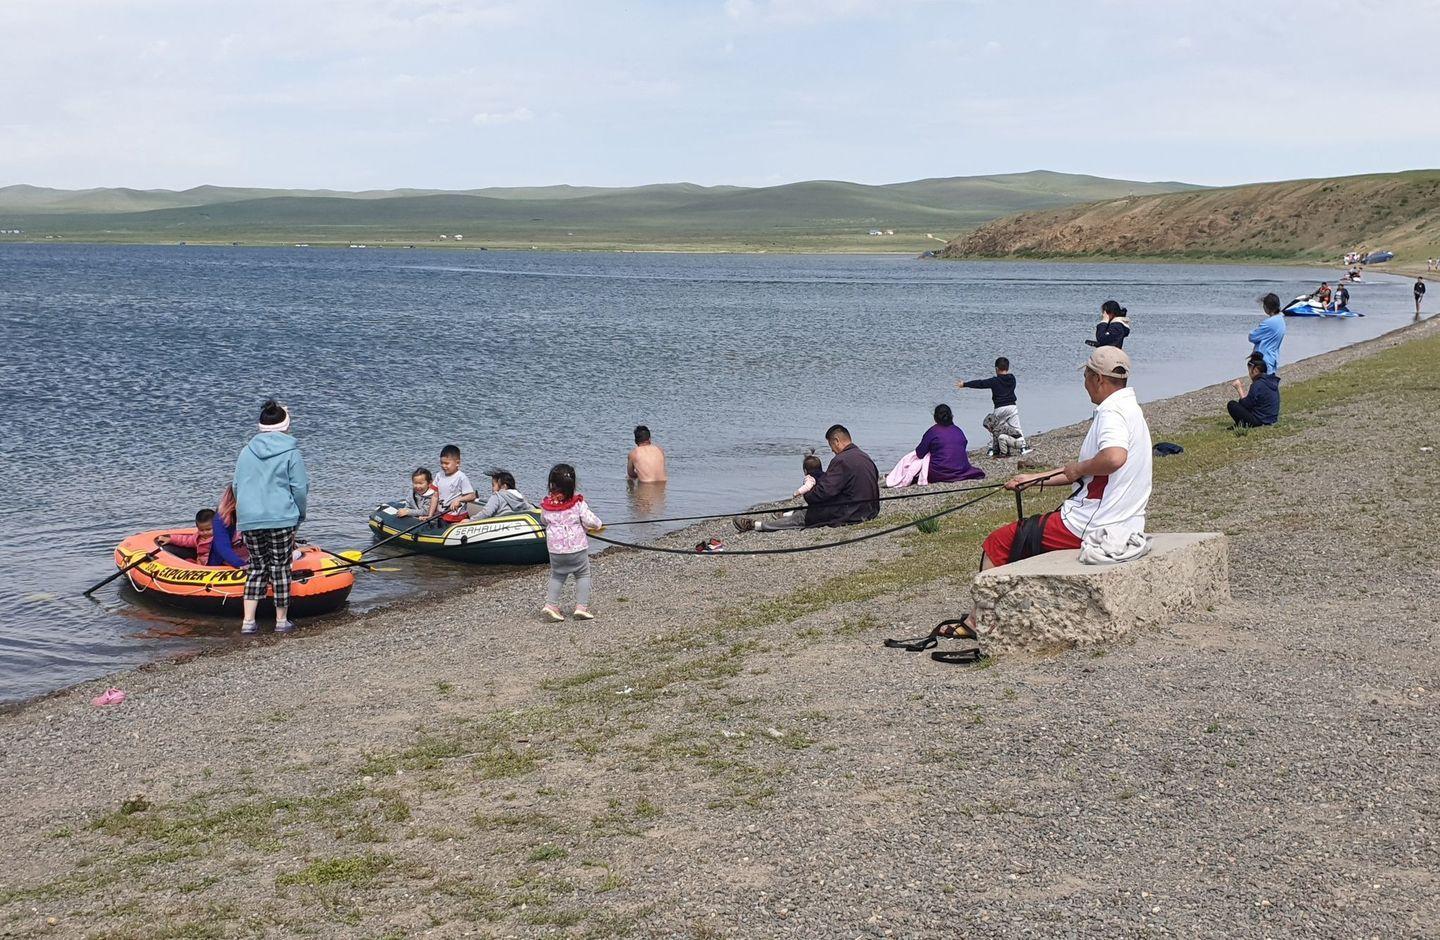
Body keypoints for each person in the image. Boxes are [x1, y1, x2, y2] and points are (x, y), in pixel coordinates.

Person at [971, 347, 1152, 598]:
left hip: (1094, 523)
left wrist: (1079, 467)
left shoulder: (1112, 413)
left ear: (1098, 378)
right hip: (1123, 518)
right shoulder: (1131, 408)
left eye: (1086, 376)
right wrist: (1032, 479)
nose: (1085, 383)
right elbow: (1083, 471)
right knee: (1022, 536)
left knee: (999, 542)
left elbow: (1113, 458)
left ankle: (979, 619)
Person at [233, 399, 309, 635]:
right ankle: (281, 621)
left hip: (249, 518)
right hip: (281, 517)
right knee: (280, 567)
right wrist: (300, 516)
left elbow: (236, 485)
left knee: (257, 567)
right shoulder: (291, 452)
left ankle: (248, 621)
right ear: (286, 425)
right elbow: (299, 488)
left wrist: (242, 513)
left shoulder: (246, 451)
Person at [734, 425, 880, 532]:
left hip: (850, 513)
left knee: (803, 517)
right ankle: (786, 514)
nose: (831, 450)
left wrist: (808, 493)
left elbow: (824, 492)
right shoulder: (864, 456)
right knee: (812, 509)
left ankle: (757, 525)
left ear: (836, 440)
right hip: (870, 510)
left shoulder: (841, 460)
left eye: (831, 445)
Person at [540, 463, 602, 622]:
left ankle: (551, 605)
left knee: (557, 575)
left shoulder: (547, 505)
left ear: (551, 484)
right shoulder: (578, 503)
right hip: (577, 549)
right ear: (573, 484)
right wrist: (598, 524)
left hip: (555, 551)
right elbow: (590, 521)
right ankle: (581, 607)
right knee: (582, 574)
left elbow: (544, 521)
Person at [885, 404, 985, 487]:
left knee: (919, 459)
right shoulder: (958, 431)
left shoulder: (933, 431)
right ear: (951, 416)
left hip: (939, 472)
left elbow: (920, 453)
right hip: (960, 469)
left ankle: (897, 476)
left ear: (935, 417)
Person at [958, 357, 1029, 457]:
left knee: (994, 428)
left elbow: (981, 383)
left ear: (996, 369)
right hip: (1012, 406)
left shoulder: (994, 381)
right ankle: (1023, 447)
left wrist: (965, 384)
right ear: (1008, 368)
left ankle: (992, 448)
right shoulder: (1012, 378)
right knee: (1017, 427)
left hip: (999, 408)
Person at [1227, 353, 1281, 428]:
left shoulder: (1257, 384)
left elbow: (1246, 405)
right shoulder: (1271, 381)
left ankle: (1241, 425)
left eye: (1249, 371)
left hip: (1260, 420)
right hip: (1271, 418)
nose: (1249, 374)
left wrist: (1239, 388)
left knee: (1232, 404)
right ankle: (1242, 424)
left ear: (1255, 370)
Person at [435, 445, 477, 524]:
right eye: (441, 463)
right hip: (442, 516)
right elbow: (435, 496)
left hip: (458, 518)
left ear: (457, 463)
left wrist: (459, 500)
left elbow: (472, 496)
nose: (443, 466)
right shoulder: (438, 475)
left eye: (447, 463)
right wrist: (430, 514)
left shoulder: (461, 477)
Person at [209, 484, 249, 567]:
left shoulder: (258, 515)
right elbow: (222, 547)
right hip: (226, 563)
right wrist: (241, 565)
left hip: (251, 559)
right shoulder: (221, 518)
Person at [1249, 293, 1287, 374]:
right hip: (1272, 358)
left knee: (1262, 383)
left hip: (1263, 360)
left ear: (1267, 307)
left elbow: (1252, 337)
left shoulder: (1269, 323)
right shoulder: (1281, 320)